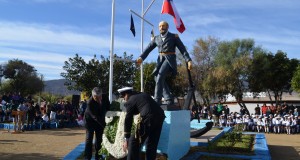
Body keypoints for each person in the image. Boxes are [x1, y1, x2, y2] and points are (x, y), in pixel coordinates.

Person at [136, 21, 192, 106]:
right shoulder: (156, 38)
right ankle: (168, 98)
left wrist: (188, 60)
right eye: (160, 26)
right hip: (160, 60)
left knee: (160, 75)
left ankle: (157, 100)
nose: (161, 27)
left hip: (170, 59)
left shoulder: (174, 37)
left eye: (163, 26)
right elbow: (148, 49)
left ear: (167, 27)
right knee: (156, 77)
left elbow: (182, 49)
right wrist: (141, 57)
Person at [118, 87, 165, 160]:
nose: (124, 99)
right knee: (151, 144)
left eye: (123, 97)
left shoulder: (130, 100)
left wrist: (126, 138)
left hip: (149, 118)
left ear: (126, 94)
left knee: (133, 142)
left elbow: (128, 120)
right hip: (160, 116)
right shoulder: (143, 94)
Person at [83, 87, 110, 160]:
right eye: (96, 98)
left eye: (99, 97)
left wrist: (109, 119)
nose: (99, 99)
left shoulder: (105, 97)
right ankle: (87, 157)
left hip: (100, 120)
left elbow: (108, 108)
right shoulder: (89, 103)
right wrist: (105, 126)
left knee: (99, 139)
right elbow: (95, 117)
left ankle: (98, 156)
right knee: (89, 140)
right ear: (93, 96)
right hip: (90, 122)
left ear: (101, 94)